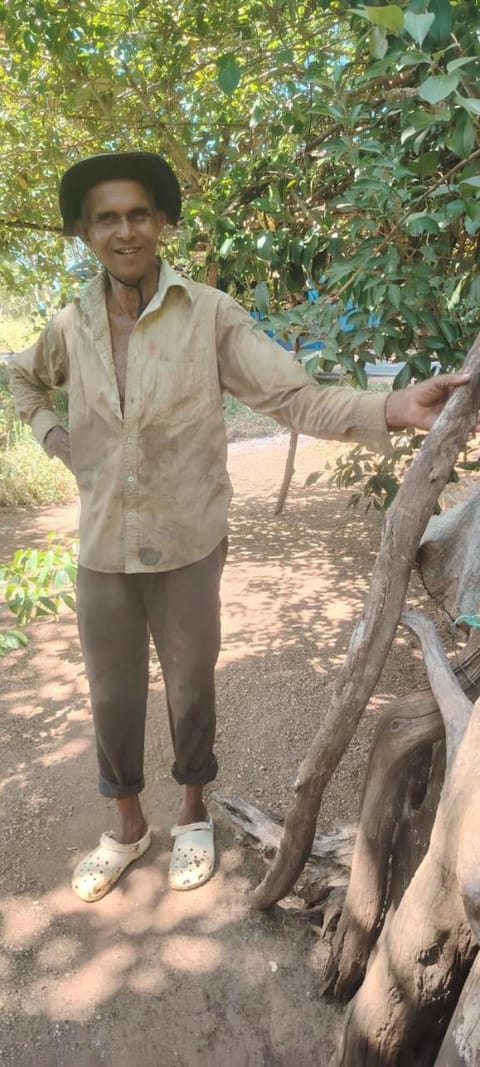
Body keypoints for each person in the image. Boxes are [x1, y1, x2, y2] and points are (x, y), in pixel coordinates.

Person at [9, 151, 473, 902]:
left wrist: (389, 407)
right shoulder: (70, 326)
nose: (125, 230)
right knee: (112, 694)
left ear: (161, 224)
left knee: (191, 687)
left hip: (190, 542)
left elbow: (294, 397)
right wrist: (54, 439)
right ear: (84, 233)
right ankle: (125, 827)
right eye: (107, 218)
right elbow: (24, 378)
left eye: (138, 214)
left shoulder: (209, 316)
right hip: (103, 549)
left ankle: (193, 813)